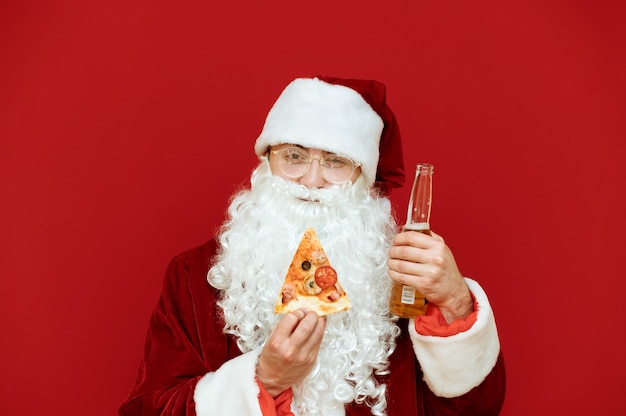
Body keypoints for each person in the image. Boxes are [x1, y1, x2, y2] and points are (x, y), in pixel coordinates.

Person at [118, 76, 506, 415]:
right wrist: (262, 380)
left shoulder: (403, 275)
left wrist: (455, 301)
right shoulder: (192, 275)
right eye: (294, 157)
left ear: (363, 179)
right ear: (265, 162)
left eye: (335, 162)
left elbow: (473, 412)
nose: (311, 180)